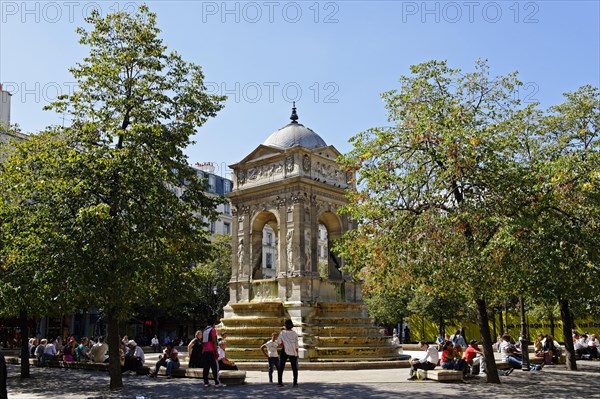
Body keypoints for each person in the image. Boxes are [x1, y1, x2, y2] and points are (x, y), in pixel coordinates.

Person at [276, 319, 299, 388]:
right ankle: (295, 383)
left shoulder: (282, 332)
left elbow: (278, 341)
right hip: (293, 351)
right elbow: (296, 345)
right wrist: (297, 353)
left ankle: (280, 383)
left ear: (285, 325)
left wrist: (283, 345)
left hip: (284, 350)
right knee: (294, 368)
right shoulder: (295, 333)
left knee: (281, 367)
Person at [202, 317, 223, 387]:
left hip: (205, 351)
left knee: (206, 367)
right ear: (213, 324)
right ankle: (217, 382)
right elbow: (214, 342)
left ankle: (206, 382)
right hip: (211, 351)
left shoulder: (204, 330)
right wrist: (216, 352)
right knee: (214, 367)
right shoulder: (212, 330)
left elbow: (203, 342)